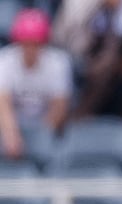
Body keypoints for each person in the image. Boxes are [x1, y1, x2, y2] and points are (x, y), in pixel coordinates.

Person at [0, 8, 73, 159]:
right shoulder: (5, 60)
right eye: (25, 43)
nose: (30, 49)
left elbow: (59, 107)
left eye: (35, 44)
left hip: (46, 127)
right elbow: (3, 102)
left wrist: (39, 137)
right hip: (14, 125)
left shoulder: (58, 62)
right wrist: (11, 135)